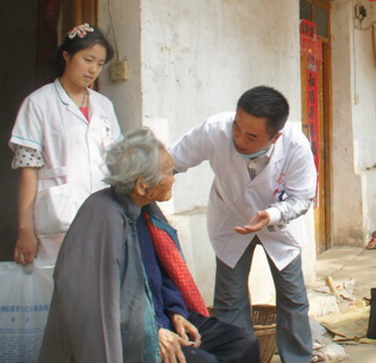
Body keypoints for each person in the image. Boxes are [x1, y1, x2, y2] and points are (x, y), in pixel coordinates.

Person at [40, 128, 259, 363]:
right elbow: (95, 306)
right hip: (131, 335)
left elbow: (164, 274)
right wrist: (153, 334)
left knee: (242, 343)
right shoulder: (102, 217)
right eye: (169, 173)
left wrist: (176, 312)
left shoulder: (146, 209)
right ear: (142, 186)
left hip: (164, 319)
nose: (173, 178)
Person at [170, 86, 316, 363]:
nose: (239, 139)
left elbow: (302, 199)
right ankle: (237, 359)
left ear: (275, 137)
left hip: (279, 228)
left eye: (252, 137)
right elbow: (172, 161)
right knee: (229, 300)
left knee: (293, 298)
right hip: (231, 220)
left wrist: (271, 215)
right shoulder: (214, 130)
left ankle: (298, 358)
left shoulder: (295, 146)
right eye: (237, 128)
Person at [9, 23, 121, 267]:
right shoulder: (39, 103)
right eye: (88, 59)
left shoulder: (104, 106)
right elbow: (29, 169)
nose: (93, 69)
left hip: (104, 215)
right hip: (58, 218)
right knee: (58, 282)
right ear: (67, 56)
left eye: (100, 64)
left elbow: (117, 159)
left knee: (100, 281)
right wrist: (25, 229)